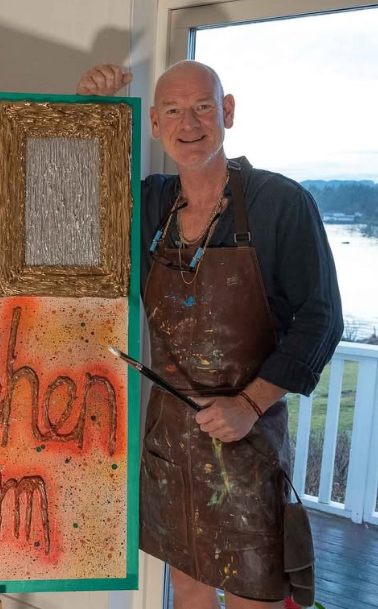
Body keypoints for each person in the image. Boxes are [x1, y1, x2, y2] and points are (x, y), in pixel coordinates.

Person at [77, 61, 343, 609]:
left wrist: (249, 403)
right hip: (169, 444)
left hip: (247, 447)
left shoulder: (279, 203)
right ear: (153, 123)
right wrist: (94, 113)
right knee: (190, 588)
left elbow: (321, 319)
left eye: (202, 106)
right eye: (172, 110)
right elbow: (77, 202)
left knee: (255, 592)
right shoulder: (151, 203)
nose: (189, 122)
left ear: (227, 111)